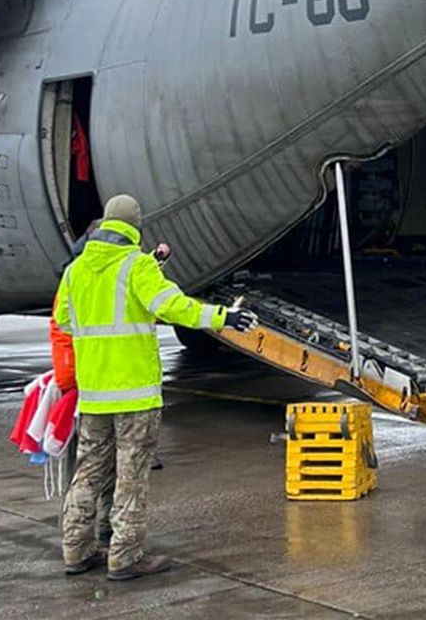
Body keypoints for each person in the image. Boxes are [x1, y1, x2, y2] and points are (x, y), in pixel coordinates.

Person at [55, 194, 257, 580]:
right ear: (135, 227)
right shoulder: (136, 266)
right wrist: (223, 317)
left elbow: (65, 318)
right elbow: (173, 306)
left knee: (89, 473)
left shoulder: (76, 270)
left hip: (95, 394)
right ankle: (125, 556)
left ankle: (76, 550)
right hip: (134, 393)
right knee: (131, 475)